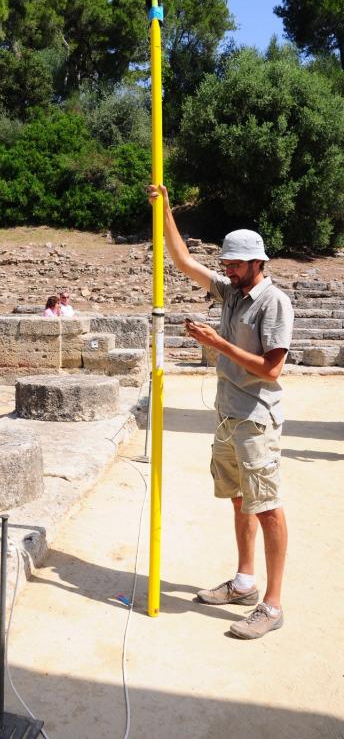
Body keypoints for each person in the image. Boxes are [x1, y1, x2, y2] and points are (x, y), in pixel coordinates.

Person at [148, 183, 294, 640]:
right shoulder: (231, 292)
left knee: (266, 506)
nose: (227, 270)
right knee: (238, 500)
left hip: (256, 418)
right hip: (228, 415)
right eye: (226, 264)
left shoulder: (274, 302)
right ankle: (245, 582)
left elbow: (273, 369)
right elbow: (183, 262)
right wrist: (165, 209)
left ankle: (272, 604)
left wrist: (218, 344)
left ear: (257, 263)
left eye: (235, 264)